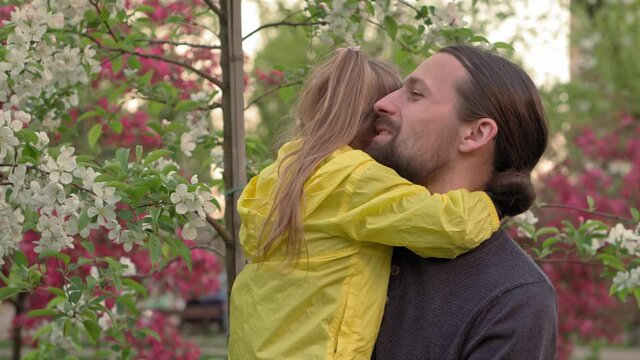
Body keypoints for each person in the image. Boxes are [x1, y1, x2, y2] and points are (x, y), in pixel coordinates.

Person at [228, 48, 501, 359]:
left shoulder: (277, 177)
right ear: (376, 126)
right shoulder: (354, 179)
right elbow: (448, 225)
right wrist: (497, 199)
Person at [369, 45, 558, 359]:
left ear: (475, 133)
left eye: (415, 94)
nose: (383, 103)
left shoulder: (512, 297)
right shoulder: (353, 232)